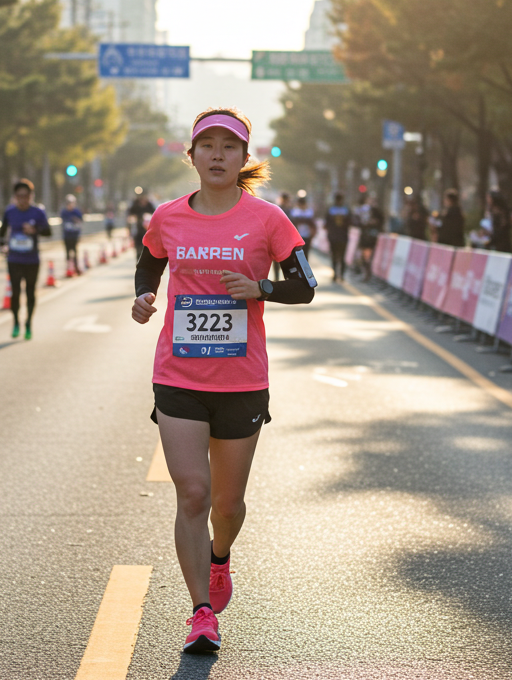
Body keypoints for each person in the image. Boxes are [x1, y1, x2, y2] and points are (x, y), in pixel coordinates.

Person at [131, 107, 316, 654]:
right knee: (192, 492)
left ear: (243, 158)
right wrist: (144, 297)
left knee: (226, 505)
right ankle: (201, 613)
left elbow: (304, 287)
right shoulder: (168, 216)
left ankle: (220, 557)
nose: (217, 154)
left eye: (229, 147)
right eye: (206, 146)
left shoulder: (268, 220)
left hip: (240, 380)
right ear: (191, 156)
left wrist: (260, 288)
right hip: (179, 374)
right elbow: (150, 263)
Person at [0, 179, 51, 340]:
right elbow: (1, 232)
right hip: (14, 258)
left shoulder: (38, 212)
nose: (23, 199)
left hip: (32, 260)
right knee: (15, 292)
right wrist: (2, 246)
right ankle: (16, 322)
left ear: (31, 196)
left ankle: (28, 322)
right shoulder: (10, 212)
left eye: (26, 196)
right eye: (19, 196)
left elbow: (48, 232)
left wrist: (34, 230)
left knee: (30, 292)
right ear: (15, 197)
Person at [324, 191, 352, 283]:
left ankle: (336, 274)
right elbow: (350, 222)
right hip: (343, 237)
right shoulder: (346, 210)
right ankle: (341, 275)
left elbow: (326, 224)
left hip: (333, 236)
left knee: (334, 256)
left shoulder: (331, 210)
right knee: (342, 256)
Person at [354, 194, 384, 281]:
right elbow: (357, 221)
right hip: (364, 236)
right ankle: (366, 273)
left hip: (371, 238)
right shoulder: (361, 210)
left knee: (368, 257)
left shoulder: (377, 212)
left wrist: (374, 223)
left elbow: (381, 221)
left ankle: (368, 274)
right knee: (363, 256)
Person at [60, 194, 85, 275]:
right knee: (67, 252)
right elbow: (62, 222)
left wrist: (76, 220)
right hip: (67, 235)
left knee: (74, 251)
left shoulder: (76, 212)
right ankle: (68, 268)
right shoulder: (64, 212)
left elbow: (81, 221)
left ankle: (76, 267)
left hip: (74, 235)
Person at [128, 191, 156, 259]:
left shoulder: (150, 205)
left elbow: (155, 215)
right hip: (138, 231)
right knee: (138, 250)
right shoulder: (135, 205)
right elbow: (129, 216)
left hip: (148, 231)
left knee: (149, 251)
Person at [288, 194, 316, 262]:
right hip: (297, 236)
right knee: (297, 255)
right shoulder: (295, 212)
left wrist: (312, 235)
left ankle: (304, 270)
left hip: (307, 236)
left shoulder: (309, 212)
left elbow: (313, 225)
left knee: (305, 254)